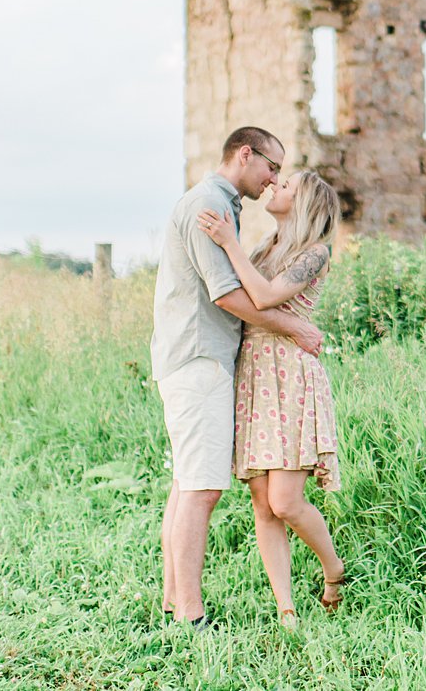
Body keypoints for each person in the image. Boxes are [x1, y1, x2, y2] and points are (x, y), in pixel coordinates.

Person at [151, 126, 325, 626]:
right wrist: (294, 326)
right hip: (200, 356)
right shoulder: (212, 204)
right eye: (272, 166)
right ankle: (189, 613)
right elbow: (228, 296)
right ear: (245, 154)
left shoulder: (218, 204)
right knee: (202, 488)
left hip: (193, 355)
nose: (274, 180)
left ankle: (172, 600)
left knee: (188, 483)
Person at [196, 168, 347, 628]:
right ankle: (286, 609)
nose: (275, 187)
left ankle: (333, 567)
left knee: (285, 500)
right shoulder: (264, 247)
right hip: (255, 372)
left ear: (304, 204)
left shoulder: (315, 254)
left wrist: (228, 241)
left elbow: (261, 297)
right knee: (262, 502)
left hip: (290, 374)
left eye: (287, 186)